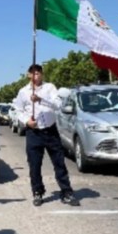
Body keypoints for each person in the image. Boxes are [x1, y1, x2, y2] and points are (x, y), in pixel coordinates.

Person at [12, 63, 77, 207]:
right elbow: (18, 110)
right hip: (34, 133)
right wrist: (26, 121)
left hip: (50, 131)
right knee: (34, 165)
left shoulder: (50, 88)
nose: (36, 76)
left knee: (59, 162)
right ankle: (37, 192)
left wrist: (41, 99)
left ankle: (66, 192)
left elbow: (58, 105)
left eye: (38, 73)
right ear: (28, 75)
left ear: (42, 74)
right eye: (33, 73)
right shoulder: (23, 92)